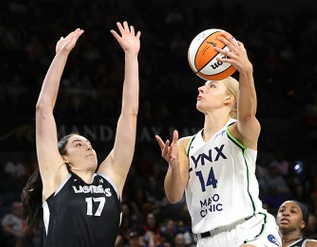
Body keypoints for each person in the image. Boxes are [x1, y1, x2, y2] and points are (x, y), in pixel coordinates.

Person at [155, 31, 282, 246]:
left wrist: (246, 71)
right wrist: (174, 166)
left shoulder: (237, 132)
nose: (200, 87)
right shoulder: (186, 144)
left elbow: (247, 115)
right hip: (207, 239)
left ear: (229, 99)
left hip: (248, 230)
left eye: (211, 85)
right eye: (203, 84)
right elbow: (174, 196)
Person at [20, 21, 141, 246]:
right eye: (78, 144)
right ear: (63, 158)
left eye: (88, 144)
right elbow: (43, 109)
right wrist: (62, 55)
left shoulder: (111, 179)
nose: (88, 146)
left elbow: (129, 115)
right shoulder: (57, 178)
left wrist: (131, 56)